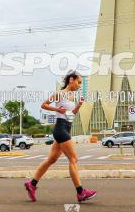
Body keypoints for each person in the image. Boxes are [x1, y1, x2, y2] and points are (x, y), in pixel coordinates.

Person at [24, 71, 97, 203]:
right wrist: (57, 110)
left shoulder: (71, 97)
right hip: (61, 129)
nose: (80, 85)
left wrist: (79, 105)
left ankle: (32, 184)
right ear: (71, 80)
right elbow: (44, 104)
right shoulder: (60, 94)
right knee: (74, 159)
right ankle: (80, 192)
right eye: (79, 82)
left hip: (65, 127)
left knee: (51, 160)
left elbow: (71, 115)